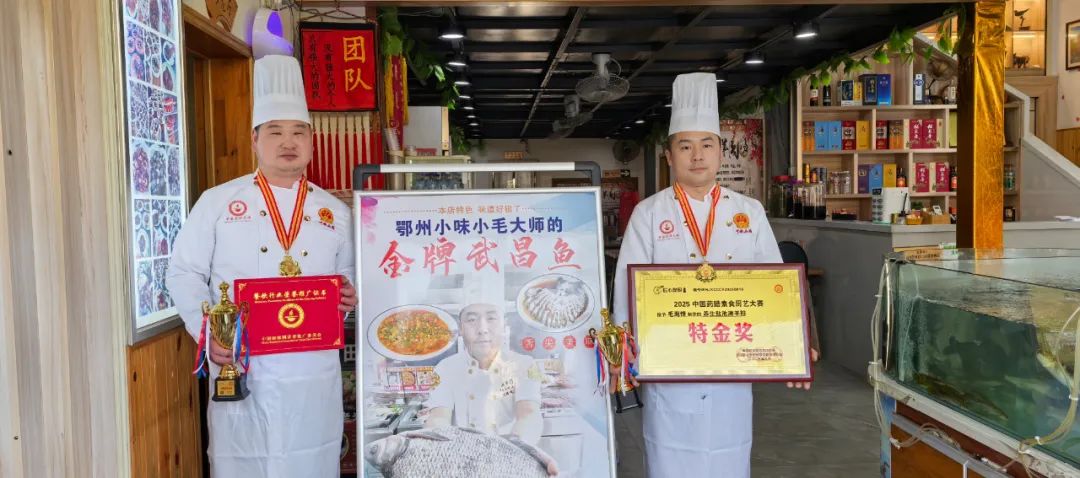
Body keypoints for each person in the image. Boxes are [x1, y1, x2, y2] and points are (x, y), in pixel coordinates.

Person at [612, 72, 818, 477]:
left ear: (720, 151)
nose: (697, 156)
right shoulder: (649, 214)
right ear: (669, 156)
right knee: (670, 460)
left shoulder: (748, 212)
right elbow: (626, 292)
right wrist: (624, 354)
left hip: (731, 368)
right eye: (685, 146)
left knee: (729, 458)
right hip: (669, 371)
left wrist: (794, 347)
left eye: (707, 144)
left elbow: (776, 287)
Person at [167, 54, 358, 477]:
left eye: (298, 132)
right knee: (243, 464)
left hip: (312, 373)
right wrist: (207, 332)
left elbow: (347, 276)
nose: (288, 142)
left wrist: (348, 294)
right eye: (275, 132)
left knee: (312, 460)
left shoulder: (335, 212)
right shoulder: (218, 202)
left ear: (311, 142)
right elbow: (183, 272)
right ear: (255, 140)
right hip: (243, 366)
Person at [424, 302, 544, 446]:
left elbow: (529, 414)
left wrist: (518, 447)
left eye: (491, 318)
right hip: (460, 451)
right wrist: (438, 442)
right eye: (472, 320)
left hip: (511, 449)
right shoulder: (444, 368)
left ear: (504, 325)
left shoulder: (526, 365)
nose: (482, 329)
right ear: (461, 328)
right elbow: (438, 416)